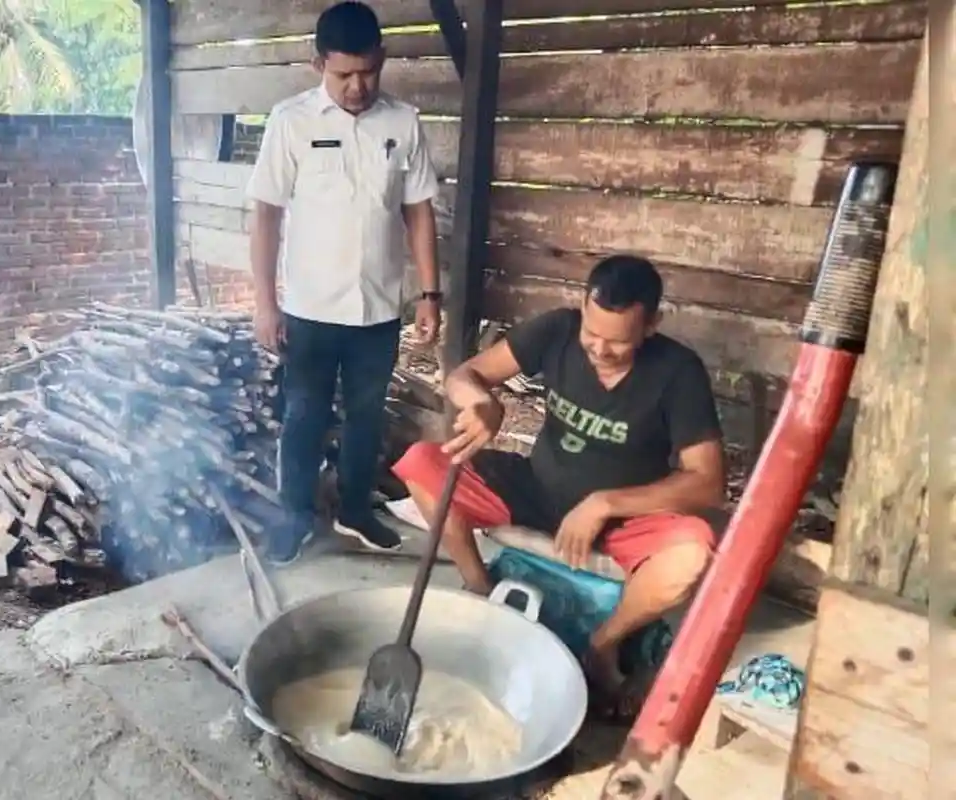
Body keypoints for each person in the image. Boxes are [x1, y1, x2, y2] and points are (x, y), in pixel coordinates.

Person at [391, 255, 727, 720]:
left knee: (692, 553)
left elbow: (707, 481)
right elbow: (465, 376)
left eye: (618, 342)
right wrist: (482, 403)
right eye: (592, 334)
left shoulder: (678, 371)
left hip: (621, 518)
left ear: (652, 325)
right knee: (424, 464)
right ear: (582, 309)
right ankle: (481, 588)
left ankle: (602, 645)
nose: (599, 350)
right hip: (535, 489)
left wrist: (606, 503)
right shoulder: (557, 330)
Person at [246, 1, 443, 566]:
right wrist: (266, 302)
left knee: (366, 416)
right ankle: (294, 518)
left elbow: (419, 211)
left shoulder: (403, 123)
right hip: (309, 309)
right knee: (303, 417)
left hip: (377, 311)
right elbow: (265, 214)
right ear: (318, 66)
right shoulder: (291, 121)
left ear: (381, 60)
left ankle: (356, 509)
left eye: (368, 72)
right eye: (343, 75)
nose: (358, 87)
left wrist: (429, 294)